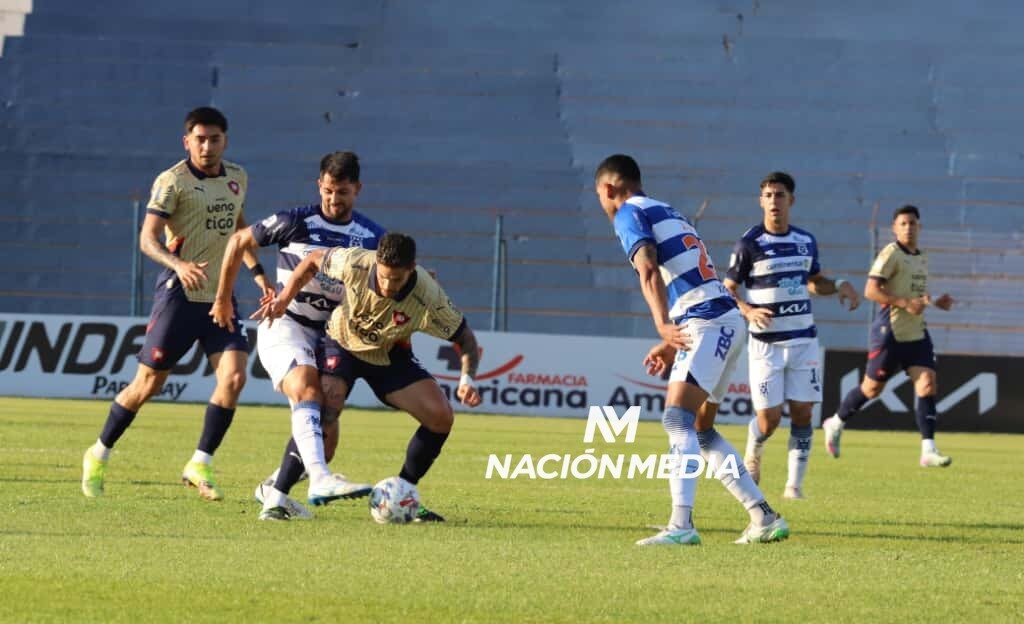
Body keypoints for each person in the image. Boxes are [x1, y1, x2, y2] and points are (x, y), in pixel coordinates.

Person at [595, 154, 789, 545]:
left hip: (707, 321)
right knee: (700, 428)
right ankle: (763, 517)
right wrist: (671, 339)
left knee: (676, 420)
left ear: (609, 189)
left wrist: (663, 327)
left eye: (600, 195)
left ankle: (681, 525)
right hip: (722, 318)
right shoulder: (665, 209)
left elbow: (648, 269)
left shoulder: (628, 214)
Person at [81, 106, 273, 500]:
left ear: (225, 141)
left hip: (220, 297)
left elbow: (239, 228)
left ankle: (200, 461)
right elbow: (147, 238)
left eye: (214, 139)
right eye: (199, 139)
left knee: (235, 378)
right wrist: (178, 263)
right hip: (179, 295)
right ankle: (98, 452)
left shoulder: (237, 177)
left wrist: (257, 273)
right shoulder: (172, 182)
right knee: (148, 383)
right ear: (187, 141)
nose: (207, 146)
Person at [252, 233, 482, 521]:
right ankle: (277, 498)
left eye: (395, 280)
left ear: (411, 269)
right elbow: (312, 261)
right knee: (326, 411)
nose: (387, 285)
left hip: (388, 354)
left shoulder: (429, 295)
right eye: (383, 277)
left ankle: (403, 495)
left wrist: (467, 379)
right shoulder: (356, 262)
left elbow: (466, 339)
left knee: (441, 417)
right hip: (341, 343)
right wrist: (285, 298)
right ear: (376, 263)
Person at [214, 151, 385, 519]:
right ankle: (319, 479)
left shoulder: (372, 237)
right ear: (318, 186)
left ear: (358, 189)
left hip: (333, 335)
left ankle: (274, 494)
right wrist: (224, 298)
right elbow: (238, 241)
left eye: (342, 192)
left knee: (327, 431)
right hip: (286, 323)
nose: (333, 200)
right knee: (306, 389)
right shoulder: (295, 221)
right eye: (327, 191)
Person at [719, 171, 860, 500]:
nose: (773, 202)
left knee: (803, 413)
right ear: (761, 201)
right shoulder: (749, 244)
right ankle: (754, 447)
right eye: (767, 195)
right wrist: (748, 310)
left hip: (803, 341)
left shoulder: (805, 241)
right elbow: (726, 290)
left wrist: (838, 285)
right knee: (768, 421)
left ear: (791, 201)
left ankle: (794, 487)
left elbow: (814, 281)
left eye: (779, 195)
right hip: (766, 345)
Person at [822, 205, 956, 467]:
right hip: (890, 333)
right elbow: (871, 290)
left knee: (927, 383)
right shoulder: (891, 253)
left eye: (912, 223)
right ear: (895, 228)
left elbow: (915, 293)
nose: (908, 228)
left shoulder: (921, 256)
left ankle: (928, 449)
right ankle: (835, 423)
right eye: (903, 224)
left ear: (920, 227)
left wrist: (935, 301)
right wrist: (904, 303)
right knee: (871, 389)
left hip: (916, 332)